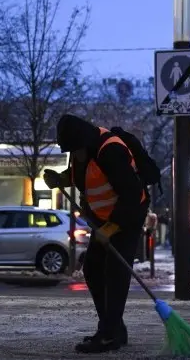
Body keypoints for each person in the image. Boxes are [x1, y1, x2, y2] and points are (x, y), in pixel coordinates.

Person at [43, 114, 149, 354]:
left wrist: (113, 227)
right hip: (102, 221)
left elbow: (132, 194)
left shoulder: (110, 151)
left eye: (75, 150)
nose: (75, 155)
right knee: (92, 268)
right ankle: (113, 328)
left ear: (84, 141)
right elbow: (83, 176)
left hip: (127, 218)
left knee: (114, 273)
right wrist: (61, 179)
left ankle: (109, 335)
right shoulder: (81, 150)